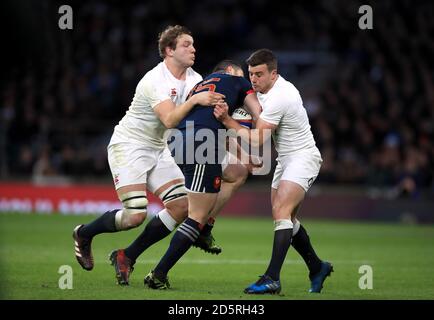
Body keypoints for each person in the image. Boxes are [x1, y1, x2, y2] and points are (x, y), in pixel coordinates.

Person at [72, 25, 225, 285]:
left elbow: (196, 119)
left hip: (159, 147)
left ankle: (127, 256)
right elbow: (169, 119)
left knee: (181, 206)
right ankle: (84, 233)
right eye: (186, 44)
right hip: (130, 146)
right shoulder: (154, 80)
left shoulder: (194, 78)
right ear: (168, 50)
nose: (193, 49)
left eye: (193, 44)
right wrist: (195, 102)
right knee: (135, 215)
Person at [214, 49, 333, 294]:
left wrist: (227, 121)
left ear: (273, 73)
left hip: (303, 158)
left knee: (281, 211)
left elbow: (258, 140)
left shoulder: (281, 95)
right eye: (251, 74)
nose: (254, 79)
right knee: (286, 218)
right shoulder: (262, 92)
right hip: (285, 161)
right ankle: (317, 267)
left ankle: (272, 278)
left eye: (259, 74)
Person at [142, 60, 262, 289]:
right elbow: (259, 112)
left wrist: (241, 151)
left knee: (237, 173)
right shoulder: (237, 82)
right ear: (229, 72)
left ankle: (205, 226)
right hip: (199, 147)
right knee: (195, 217)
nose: (248, 78)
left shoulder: (201, 87)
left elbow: (215, 128)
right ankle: (159, 274)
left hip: (181, 143)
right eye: (242, 73)